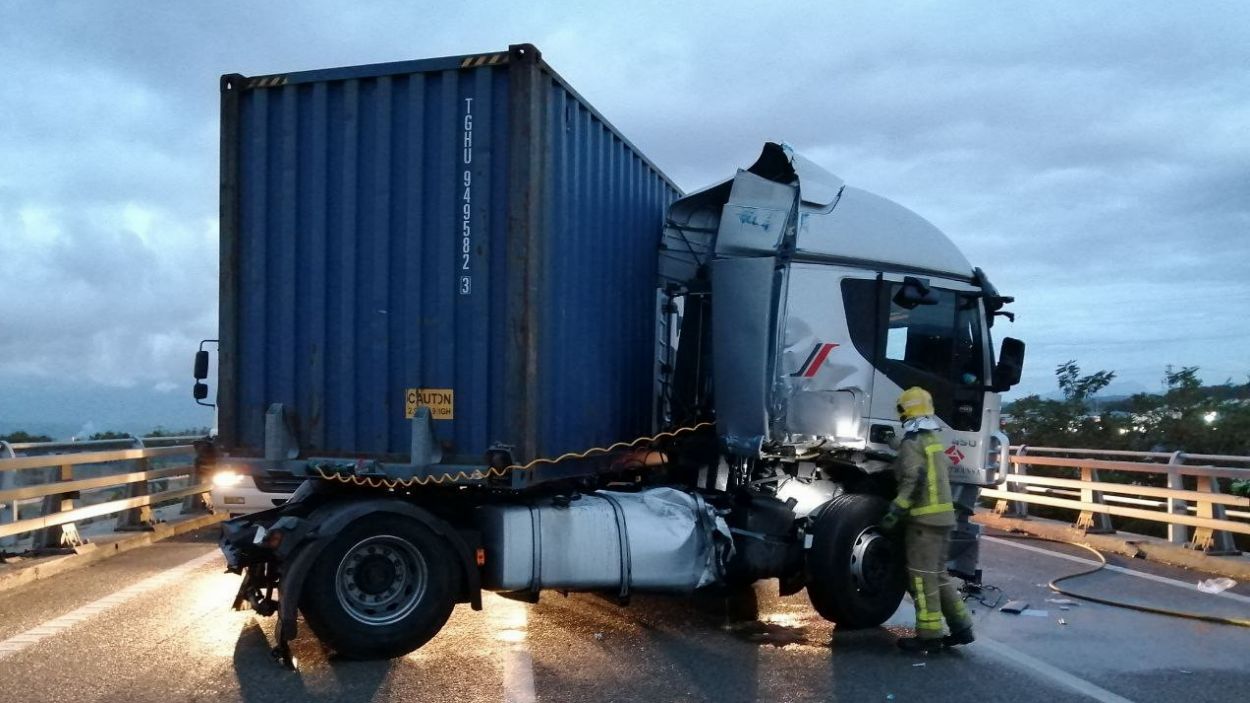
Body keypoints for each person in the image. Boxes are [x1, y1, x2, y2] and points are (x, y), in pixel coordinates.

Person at [879, 386, 975, 653]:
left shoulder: (912, 443)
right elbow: (918, 459)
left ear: (905, 411)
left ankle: (929, 636)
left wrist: (895, 511)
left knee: (922, 579)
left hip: (924, 522)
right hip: (943, 518)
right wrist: (893, 444)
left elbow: (913, 478)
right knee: (939, 575)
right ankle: (962, 626)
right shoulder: (932, 440)